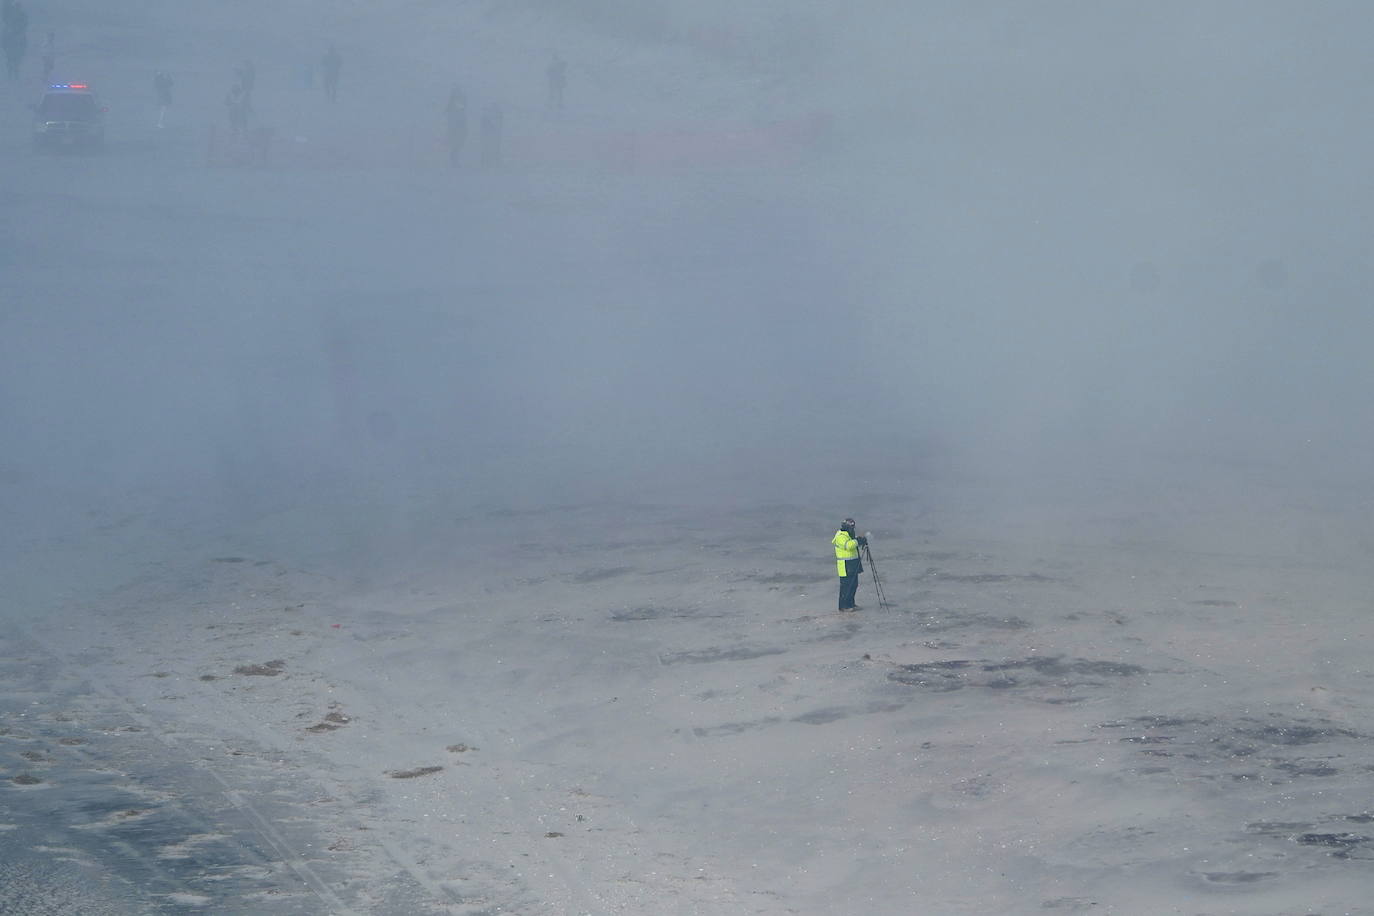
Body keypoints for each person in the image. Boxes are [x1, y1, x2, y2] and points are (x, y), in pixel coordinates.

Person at [831, 518, 868, 612]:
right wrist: (858, 541)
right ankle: (843, 606)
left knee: (853, 585)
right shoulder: (840, 536)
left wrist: (860, 540)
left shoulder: (849, 535)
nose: (853, 529)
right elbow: (848, 546)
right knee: (846, 587)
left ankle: (851, 604)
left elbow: (853, 544)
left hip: (852, 564)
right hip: (845, 566)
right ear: (847, 527)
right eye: (851, 527)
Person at [444, 85, 467, 166]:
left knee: (458, 143)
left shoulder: (457, 102)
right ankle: (454, 160)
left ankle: (454, 159)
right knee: (456, 143)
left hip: (459, 126)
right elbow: (459, 110)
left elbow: (462, 110)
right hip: (456, 127)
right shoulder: (453, 103)